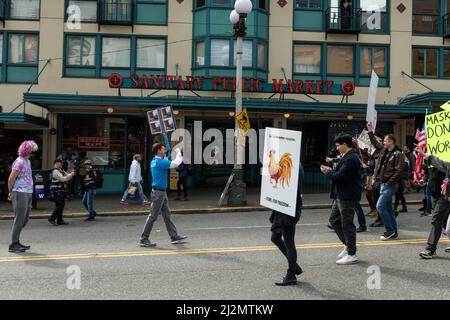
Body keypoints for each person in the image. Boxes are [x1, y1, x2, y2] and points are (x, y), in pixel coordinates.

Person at [320, 134, 362, 265]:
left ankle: (352, 253)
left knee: (347, 224)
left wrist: (328, 172)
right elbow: (340, 174)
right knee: (334, 220)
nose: (337, 148)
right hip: (341, 195)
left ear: (345, 144)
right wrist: (330, 170)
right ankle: (347, 244)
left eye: (338, 145)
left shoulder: (351, 158)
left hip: (347, 196)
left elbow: (341, 176)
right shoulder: (348, 157)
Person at [139, 144, 187, 247]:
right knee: (153, 216)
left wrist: (167, 155)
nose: (165, 150)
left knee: (167, 215)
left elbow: (165, 161)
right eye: (163, 149)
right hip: (159, 193)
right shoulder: (160, 162)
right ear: (158, 151)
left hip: (161, 192)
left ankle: (174, 236)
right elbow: (175, 164)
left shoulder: (155, 161)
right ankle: (144, 238)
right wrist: (178, 152)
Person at [367, 122, 404, 241]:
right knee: (388, 209)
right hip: (383, 183)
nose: (383, 142)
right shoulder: (384, 150)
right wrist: (370, 131)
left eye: (385, 140)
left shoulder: (398, 154)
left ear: (391, 142)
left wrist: (389, 182)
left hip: (390, 185)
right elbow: (375, 143)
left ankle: (389, 230)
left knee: (380, 206)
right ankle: (394, 232)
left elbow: (399, 171)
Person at [271, 162, 305, 286]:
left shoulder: (293, 165)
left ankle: (291, 275)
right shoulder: (292, 163)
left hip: (288, 207)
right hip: (284, 205)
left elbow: (287, 185)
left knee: (289, 242)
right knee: (275, 237)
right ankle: (294, 266)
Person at [415, 147, 450, 258]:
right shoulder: (441, 160)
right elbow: (436, 167)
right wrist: (425, 156)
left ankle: (430, 249)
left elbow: (442, 165)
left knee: (436, 219)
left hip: (444, 196)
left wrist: (427, 155)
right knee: (444, 222)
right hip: (438, 194)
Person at [7, 140, 38, 253]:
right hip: (19, 192)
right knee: (19, 219)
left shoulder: (27, 162)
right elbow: (11, 179)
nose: (34, 153)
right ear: (27, 150)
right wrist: (10, 192)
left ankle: (17, 241)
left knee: (24, 219)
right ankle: (13, 244)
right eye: (32, 150)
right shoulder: (19, 162)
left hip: (28, 192)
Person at [48, 159, 76, 226]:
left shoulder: (61, 170)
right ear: (57, 163)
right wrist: (71, 175)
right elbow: (63, 179)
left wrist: (72, 173)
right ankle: (52, 218)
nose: (62, 164)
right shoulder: (55, 172)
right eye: (61, 163)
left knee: (59, 205)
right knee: (61, 205)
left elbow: (67, 176)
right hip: (56, 191)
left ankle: (59, 220)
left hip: (60, 191)